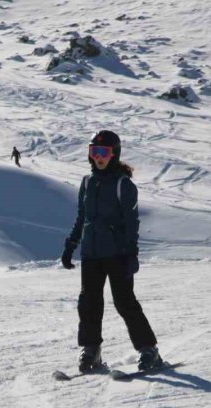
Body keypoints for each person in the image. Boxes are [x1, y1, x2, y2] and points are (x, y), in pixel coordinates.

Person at [61, 130, 162, 373]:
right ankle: (91, 350)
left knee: (125, 302)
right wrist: (71, 245)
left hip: (117, 254)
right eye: (94, 151)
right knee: (89, 303)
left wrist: (132, 255)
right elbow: (82, 218)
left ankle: (149, 350)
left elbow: (132, 223)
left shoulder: (123, 185)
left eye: (103, 152)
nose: (99, 157)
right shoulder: (87, 182)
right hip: (91, 254)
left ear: (114, 154)